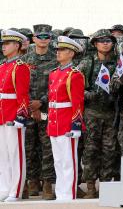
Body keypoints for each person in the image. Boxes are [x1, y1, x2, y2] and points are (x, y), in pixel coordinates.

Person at [78, 29, 120, 198]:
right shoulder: (88, 63)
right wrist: (89, 95)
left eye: (108, 40)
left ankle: (105, 186)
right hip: (92, 114)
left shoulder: (119, 64)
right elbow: (74, 88)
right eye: (101, 40)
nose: (105, 43)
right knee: (90, 150)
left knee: (109, 151)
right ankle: (90, 187)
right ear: (95, 43)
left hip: (111, 114)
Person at [47, 37, 85, 201]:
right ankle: (60, 193)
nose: (58, 52)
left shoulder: (74, 75)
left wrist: (75, 125)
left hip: (66, 123)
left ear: (70, 53)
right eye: (57, 50)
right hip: (54, 122)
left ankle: (68, 195)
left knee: (69, 162)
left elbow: (77, 102)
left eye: (62, 50)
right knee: (58, 161)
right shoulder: (54, 73)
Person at [23, 23, 58, 199]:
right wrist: (31, 105)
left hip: (47, 111)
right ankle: (32, 182)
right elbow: (20, 85)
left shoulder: (55, 59)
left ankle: (48, 185)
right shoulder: (25, 59)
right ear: (33, 39)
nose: (43, 40)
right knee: (28, 148)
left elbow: (57, 85)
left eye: (47, 37)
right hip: (27, 110)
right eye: (40, 36)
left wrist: (41, 102)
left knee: (47, 148)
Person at [0, 29, 31, 203]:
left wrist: (20, 116)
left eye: (7, 43)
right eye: (3, 44)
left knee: (15, 153)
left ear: (17, 46)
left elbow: (23, 94)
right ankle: (4, 187)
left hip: (13, 115)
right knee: (3, 154)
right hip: (1, 114)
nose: (3, 47)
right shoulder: (2, 66)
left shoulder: (20, 67)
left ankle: (15, 190)